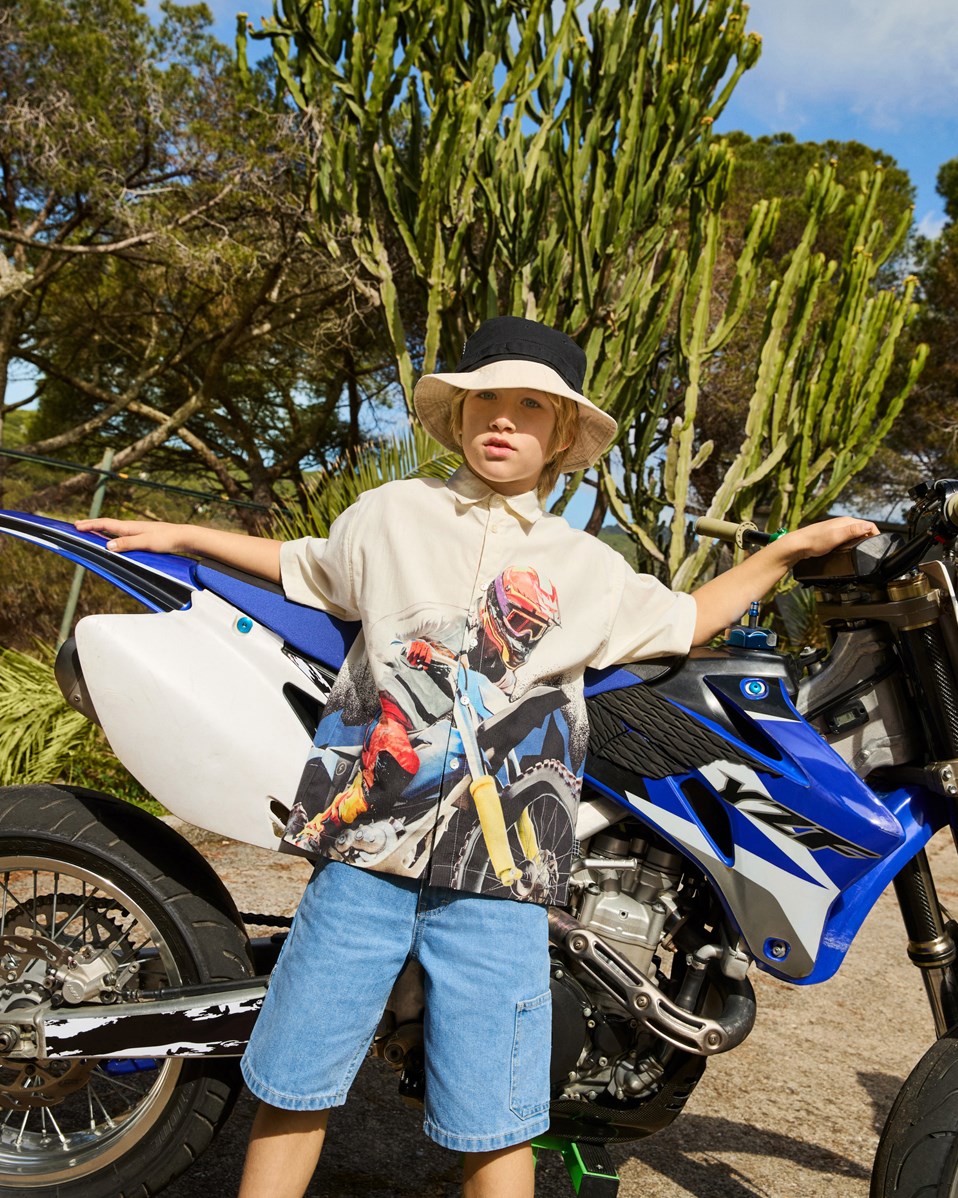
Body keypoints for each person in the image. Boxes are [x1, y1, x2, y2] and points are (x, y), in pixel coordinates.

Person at [77, 316, 878, 1198]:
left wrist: (788, 552)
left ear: (562, 435)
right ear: (457, 420)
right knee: (295, 1079)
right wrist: (186, 537)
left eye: (529, 405)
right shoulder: (389, 516)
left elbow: (689, 619)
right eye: (483, 401)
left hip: (503, 877)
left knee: (497, 1112)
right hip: (364, 853)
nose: (502, 419)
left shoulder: (589, 569)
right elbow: (302, 566)